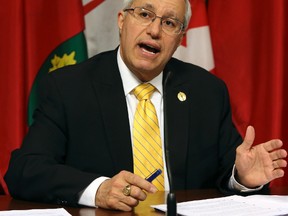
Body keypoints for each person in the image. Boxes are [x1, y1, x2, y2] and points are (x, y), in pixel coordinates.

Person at [4, 0, 287, 212]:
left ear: (179, 39)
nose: (154, 30)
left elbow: (226, 173)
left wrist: (243, 178)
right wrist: (98, 190)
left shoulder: (206, 91)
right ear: (121, 21)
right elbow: (24, 171)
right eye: (144, 14)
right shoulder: (69, 87)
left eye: (169, 23)